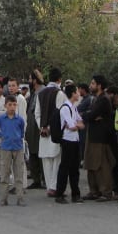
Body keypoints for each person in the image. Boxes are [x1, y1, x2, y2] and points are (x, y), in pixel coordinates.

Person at [0, 95, 26, 206]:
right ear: (5, 106)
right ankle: (3, 199)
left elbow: (22, 132)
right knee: (4, 174)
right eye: (10, 105)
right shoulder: (1, 119)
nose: (12, 107)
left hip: (18, 148)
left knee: (19, 174)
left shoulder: (20, 120)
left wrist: (19, 138)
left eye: (14, 105)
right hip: (5, 148)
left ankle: (20, 198)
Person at [84, 75, 115, 202]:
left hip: (101, 137)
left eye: (93, 83)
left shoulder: (103, 99)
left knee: (102, 165)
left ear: (99, 86)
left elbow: (91, 115)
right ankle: (94, 191)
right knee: (91, 164)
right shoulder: (96, 99)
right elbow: (90, 115)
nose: (90, 85)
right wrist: (89, 115)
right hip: (93, 135)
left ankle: (106, 192)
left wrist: (90, 115)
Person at [35, 69, 66, 197]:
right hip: (55, 132)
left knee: (46, 160)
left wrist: (42, 127)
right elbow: (59, 114)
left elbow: (37, 114)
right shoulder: (59, 93)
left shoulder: (40, 93)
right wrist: (50, 128)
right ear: (59, 79)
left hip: (43, 132)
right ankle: (54, 187)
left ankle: (49, 187)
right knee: (56, 160)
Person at [54, 84, 84, 204]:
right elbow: (72, 126)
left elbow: (80, 123)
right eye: (77, 91)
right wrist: (76, 125)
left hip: (75, 140)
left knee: (74, 168)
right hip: (67, 140)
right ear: (72, 93)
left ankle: (75, 194)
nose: (79, 93)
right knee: (64, 168)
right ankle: (59, 193)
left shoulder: (74, 107)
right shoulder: (65, 108)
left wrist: (76, 125)